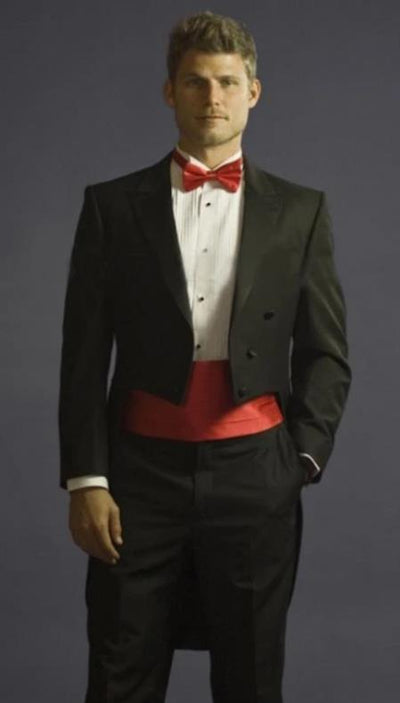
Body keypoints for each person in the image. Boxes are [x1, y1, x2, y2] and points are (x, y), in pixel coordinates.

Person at [58, 10, 352, 703]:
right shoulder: (111, 207)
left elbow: (327, 351)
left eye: (226, 82)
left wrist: (301, 458)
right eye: (195, 82)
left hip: (256, 473)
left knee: (251, 676)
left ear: (253, 92)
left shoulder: (302, 210)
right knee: (119, 669)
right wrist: (85, 479)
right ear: (170, 92)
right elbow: (83, 356)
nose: (211, 98)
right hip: (136, 476)